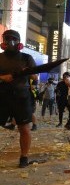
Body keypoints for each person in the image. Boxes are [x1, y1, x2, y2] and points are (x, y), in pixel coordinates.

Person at [0, 29, 37, 167]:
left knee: (24, 128)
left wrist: (28, 73)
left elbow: (35, 77)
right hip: (2, 97)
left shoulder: (27, 58)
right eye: (7, 39)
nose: (10, 42)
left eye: (13, 39)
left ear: (19, 42)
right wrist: (3, 77)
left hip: (22, 97)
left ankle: (24, 157)